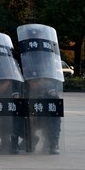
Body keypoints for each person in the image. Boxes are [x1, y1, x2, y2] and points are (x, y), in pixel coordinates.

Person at [17, 24, 64, 154]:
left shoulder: (49, 53)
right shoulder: (22, 53)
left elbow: (54, 73)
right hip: (27, 89)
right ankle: (29, 138)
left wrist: (45, 82)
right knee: (17, 110)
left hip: (45, 89)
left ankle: (53, 142)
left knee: (53, 109)